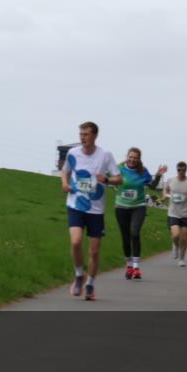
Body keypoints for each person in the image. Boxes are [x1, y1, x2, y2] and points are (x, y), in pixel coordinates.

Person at [60, 121, 121, 300]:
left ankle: (90, 285)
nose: (82, 138)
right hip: (75, 205)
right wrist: (64, 183)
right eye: (81, 134)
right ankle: (79, 275)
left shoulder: (105, 155)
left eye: (86, 134)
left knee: (94, 251)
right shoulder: (73, 153)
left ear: (94, 136)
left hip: (96, 210)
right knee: (76, 241)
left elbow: (119, 178)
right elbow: (65, 171)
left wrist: (107, 180)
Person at [114, 148, 164, 280]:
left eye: (135, 158)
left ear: (139, 159)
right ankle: (129, 265)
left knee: (134, 232)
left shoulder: (143, 171)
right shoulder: (119, 168)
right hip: (121, 206)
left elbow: (152, 186)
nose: (132, 160)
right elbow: (108, 178)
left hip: (138, 206)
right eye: (130, 157)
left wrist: (158, 175)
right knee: (125, 236)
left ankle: (136, 267)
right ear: (127, 157)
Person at [162, 161, 187, 267]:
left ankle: (181, 258)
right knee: (175, 235)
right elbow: (165, 190)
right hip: (173, 213)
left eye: (183, 170)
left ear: (186, 170)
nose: (181, 172)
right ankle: (175, 246)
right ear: (177, 170)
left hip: (186, 214)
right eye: (179, 170)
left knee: (184, 238)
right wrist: (166, 195)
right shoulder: (171, 180)